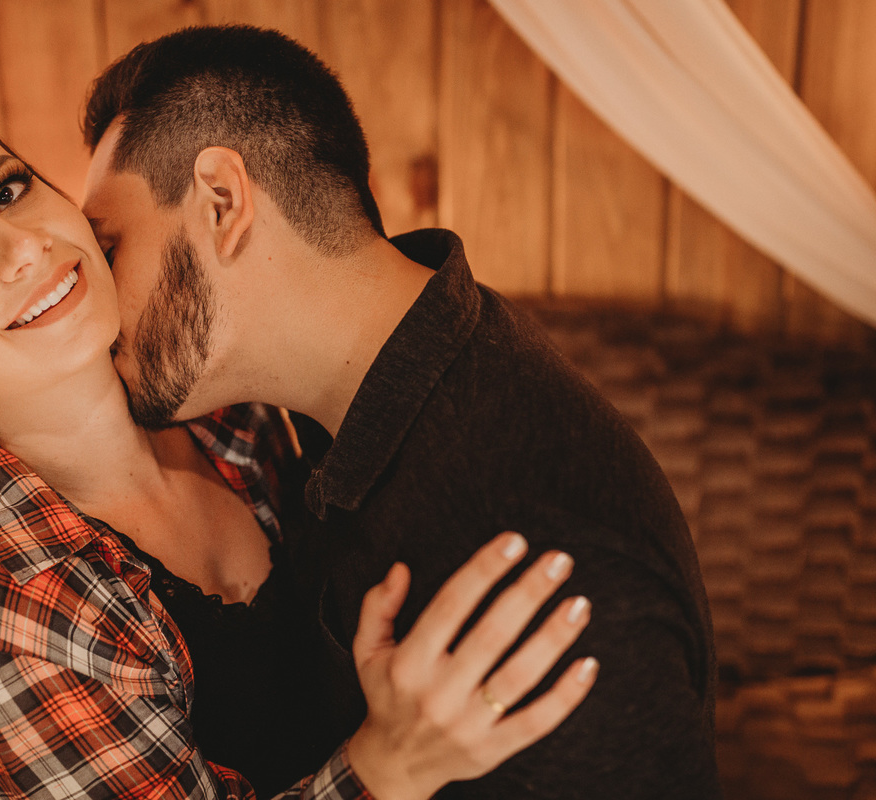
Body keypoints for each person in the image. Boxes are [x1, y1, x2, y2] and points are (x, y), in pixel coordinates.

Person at [0, 103, 598, 800]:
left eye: (9, 188)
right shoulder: (4, 626)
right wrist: (391, 766)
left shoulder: (230, 409)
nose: (22, 245)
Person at [80, 25, 721, 798]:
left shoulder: (525, 542)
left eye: (110, 245)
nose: (102, 307)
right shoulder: (358, 395)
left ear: (221, 202)